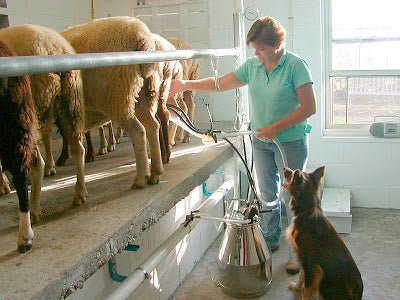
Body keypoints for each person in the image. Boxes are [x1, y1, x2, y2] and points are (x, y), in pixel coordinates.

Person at [168, 16, 316, 274]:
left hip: (290, 141)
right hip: (261, 141)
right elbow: (219, 84)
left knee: (294, 199)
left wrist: (276, 128)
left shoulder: (295, 66)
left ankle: (299, 254)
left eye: (261, 49)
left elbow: (309, 108)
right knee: (266, 195)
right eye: (255, 49)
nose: (257, 54)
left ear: (277, 44)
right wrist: (184, 84)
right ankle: (271, 240)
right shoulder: (253, 66)